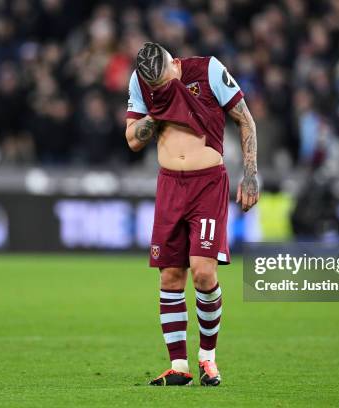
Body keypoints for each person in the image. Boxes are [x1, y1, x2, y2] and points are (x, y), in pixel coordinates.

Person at [124, 42, 258, 386]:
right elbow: (132, 140)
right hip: (170, 186)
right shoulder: (140, 83)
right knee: (170, 277)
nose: (158, 89)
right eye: (152, 86)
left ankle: (208, 359)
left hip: (207, 185)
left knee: (202, 272)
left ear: (175, 64)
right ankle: (179, 366)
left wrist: (250, 173)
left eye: (162, 81)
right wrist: (158, 112)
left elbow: (245, 119)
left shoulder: (209, 70)